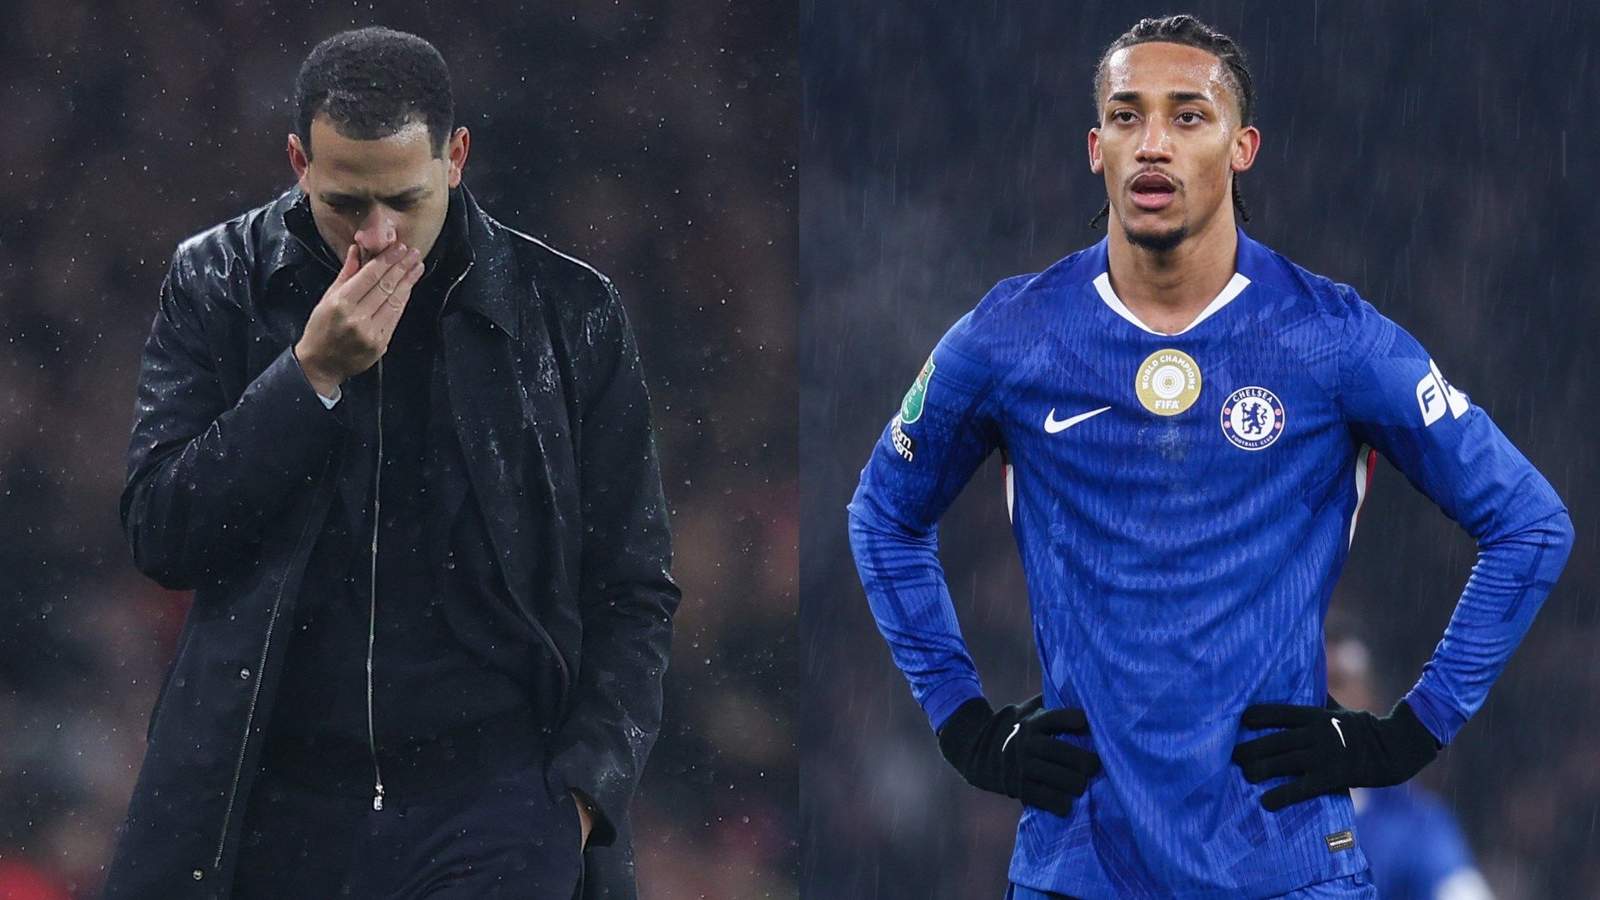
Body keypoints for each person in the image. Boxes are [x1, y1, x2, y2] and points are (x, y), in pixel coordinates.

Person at [847, 14, 1572, 899]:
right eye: (1127, 115)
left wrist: (1411, 733)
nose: (1153, 143)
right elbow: (882, 514)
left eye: (1188, 116)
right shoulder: (1011, 336)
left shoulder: (1330, 338)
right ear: (1094, 146)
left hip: (1285, 867)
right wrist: (961, 722)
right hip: (1080, 870)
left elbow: (1529, 525)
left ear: (1242, 147)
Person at [106, 26, 678, 900]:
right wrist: (308, 378)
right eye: (345, 203)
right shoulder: (216, 282)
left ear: (456, 156)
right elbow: (163, 534)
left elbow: (631, 584)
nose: (375, 237)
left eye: (403, 200)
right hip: (274, 794)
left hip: (494, 799)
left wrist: (581, 796)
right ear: (298, 160)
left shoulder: (567, 311)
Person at [1324, 624, 1495, 900]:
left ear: (1370, 700)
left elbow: (1461, 890)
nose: (1321, 700)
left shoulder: (1411, 821)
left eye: (1338, 682)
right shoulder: (1243, 805)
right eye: (1309, 685)